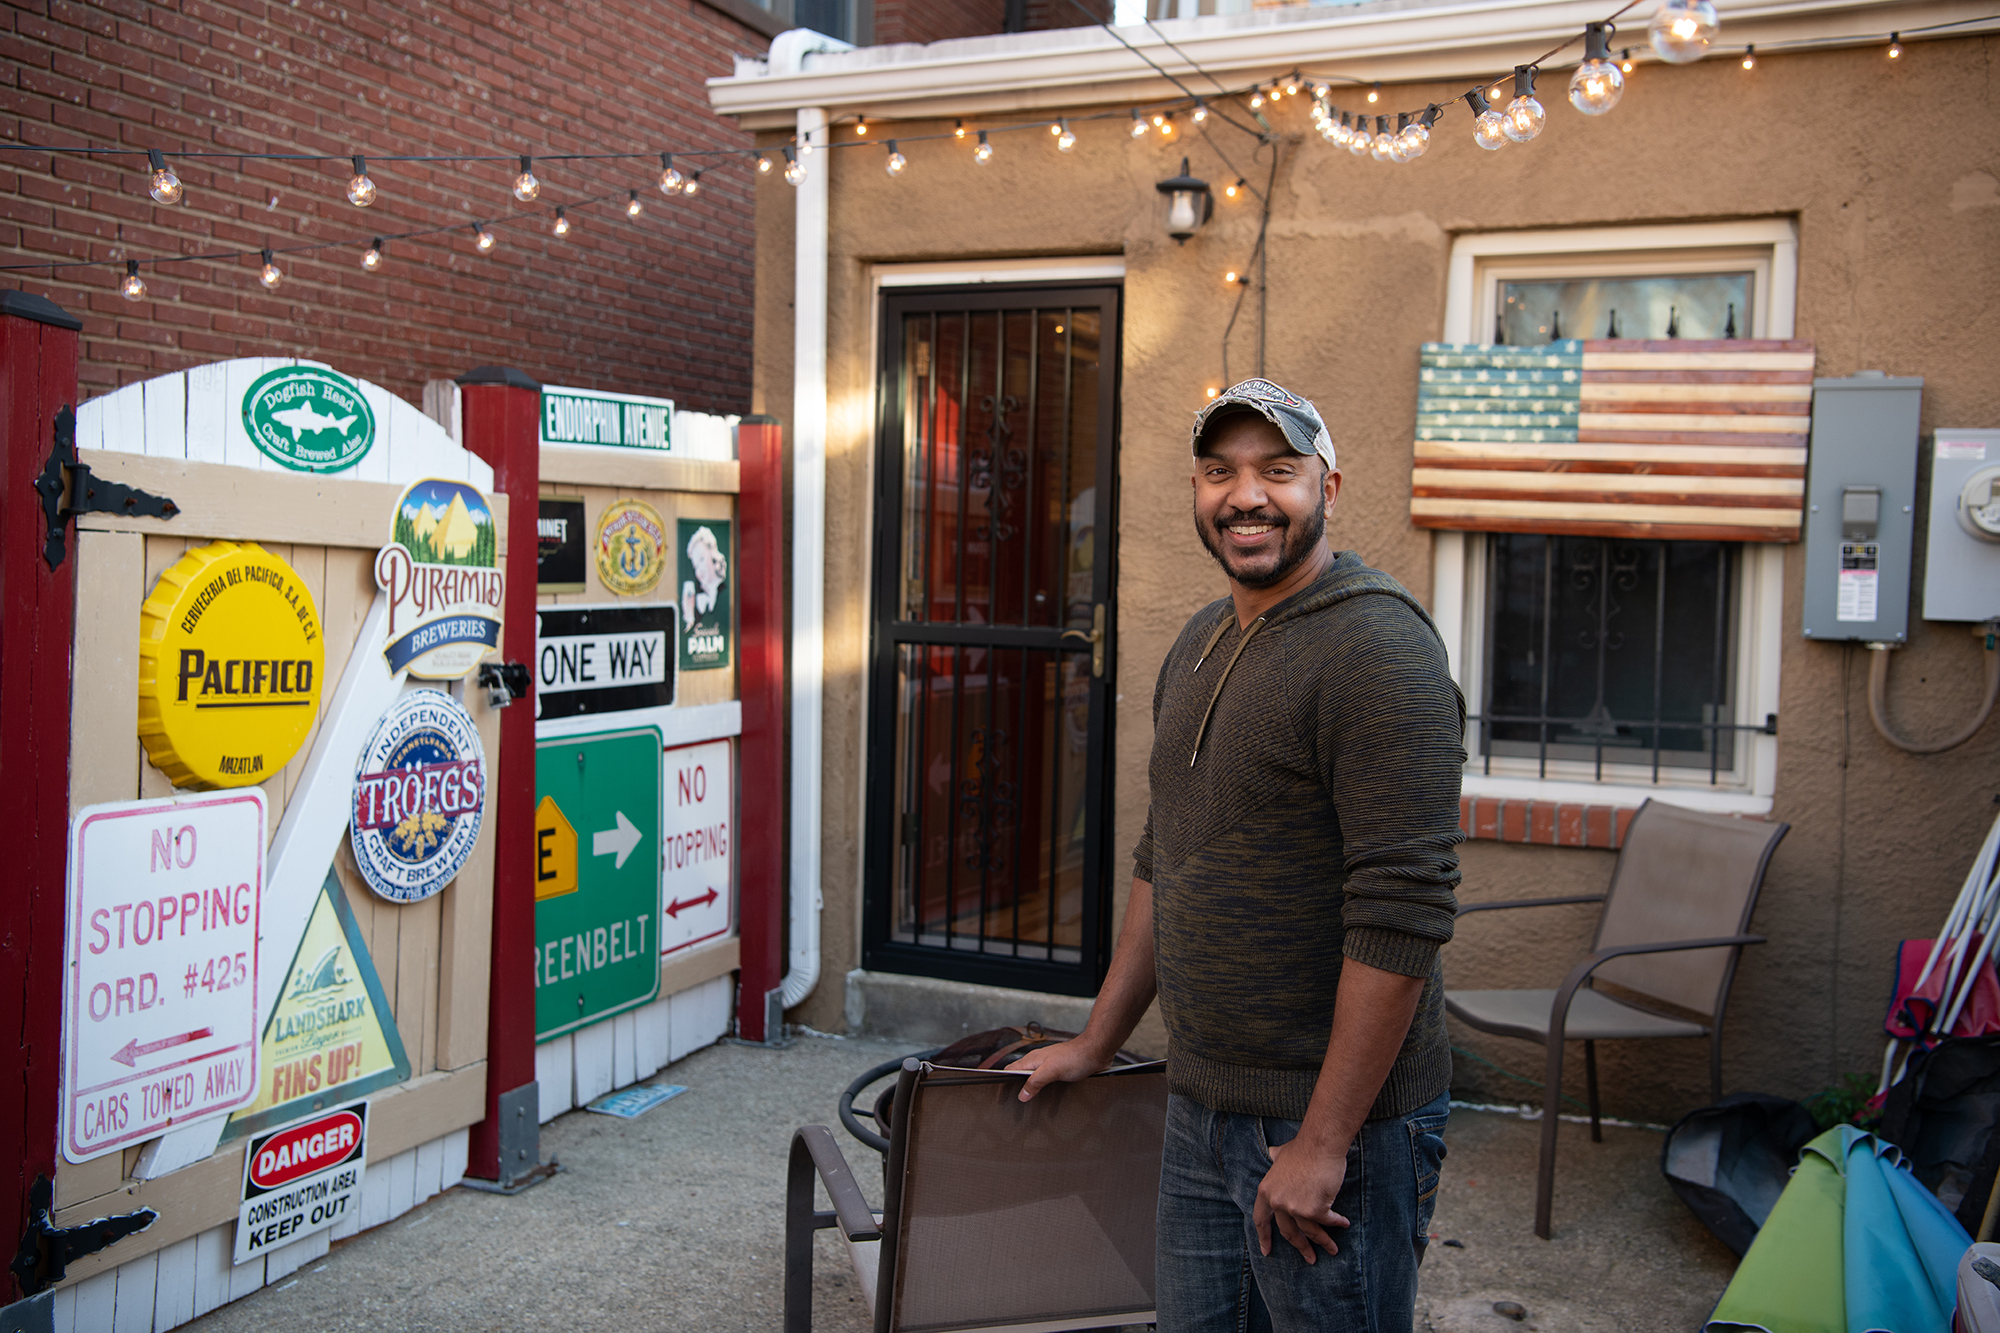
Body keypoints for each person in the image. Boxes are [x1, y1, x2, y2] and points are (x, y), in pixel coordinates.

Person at [1013, 378, 1464, 1332]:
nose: (1245, 496)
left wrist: (1321, 1141)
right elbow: (1161, 855)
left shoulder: (1379, 650)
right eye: (1220, 471)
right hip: (1201, 1100)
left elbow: (1403, 910)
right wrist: (1100, 1039)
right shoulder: (1203, 639)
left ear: (1329, 489)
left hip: (1337, 1133)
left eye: (1278, 470)